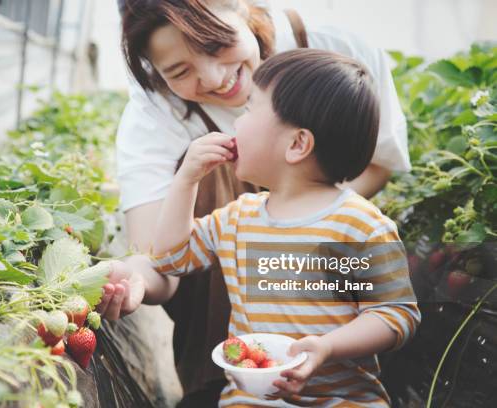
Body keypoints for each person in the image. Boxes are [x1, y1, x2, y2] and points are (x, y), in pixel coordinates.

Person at [99, 1, 411, 406]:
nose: (214, 79)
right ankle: (208, 382)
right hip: (248, 394)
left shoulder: (361, 226)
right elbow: (166, 257)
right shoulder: (237, 220)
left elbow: (395, 312)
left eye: (215, 45)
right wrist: (186, 182)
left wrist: (307, 227)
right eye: (179, 71)